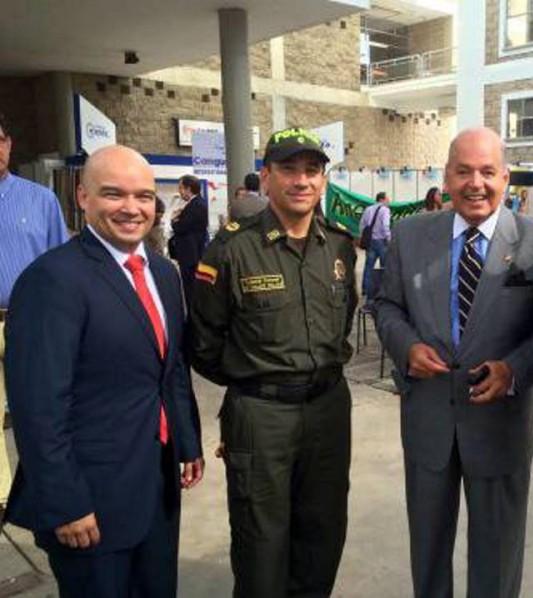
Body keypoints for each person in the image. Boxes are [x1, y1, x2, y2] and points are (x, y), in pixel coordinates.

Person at [3, 145, 204, 597]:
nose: (132, 209)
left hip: (155, 485)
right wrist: (64, 502)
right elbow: (38, 407)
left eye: (144, 196)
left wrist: (188, 441)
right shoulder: (51, 280)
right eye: (114, 194)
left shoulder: (163, 274)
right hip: (90, 501)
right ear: (82, 196)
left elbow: (170, 368)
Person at [376, 127, 533, 597]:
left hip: (499, 424)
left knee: (497, 557)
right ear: (446, 176)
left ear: (505, 177)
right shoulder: (410, 234)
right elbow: (387, 306)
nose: (474, 183)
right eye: (463, 171)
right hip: (428, 419)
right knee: (429, 550)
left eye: (486, 171)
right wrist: (406, 347)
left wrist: (515, 369)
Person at [190, 127, 357, 598]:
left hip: (328, 410)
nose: (301, 180)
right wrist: (257, 380)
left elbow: (341, 324)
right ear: (266, 178)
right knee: (261, 551)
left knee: (322, 539)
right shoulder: (231, 250)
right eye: (288, 169)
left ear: (323, 180)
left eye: (312, 170)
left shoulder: (340, 247)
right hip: (262, 417)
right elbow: (203, 344)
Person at [0, 112, 70, 518]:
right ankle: (3, 499)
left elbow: (58, 264)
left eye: (1, 139)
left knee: (37, 408)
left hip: (28, 322)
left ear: (9, 144)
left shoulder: (39, 199)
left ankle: (42, 489)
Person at [168, 174, 208, 306]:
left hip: (191, 257)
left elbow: (181, 228)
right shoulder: (193, 204)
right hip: (190, 255)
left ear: (188, 188)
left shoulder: (197, 205)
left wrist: (174, 219)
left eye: (180, 188)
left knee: (191, 291)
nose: (179, 192)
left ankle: (193, 320)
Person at [359, 190, 391, 302]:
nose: (389, 201)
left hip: (370, 242)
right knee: (384, 267)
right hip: (381, 242)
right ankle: (383, 290)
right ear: (382, 199)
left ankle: (365, 289)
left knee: (368, 266)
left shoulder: (368, 209)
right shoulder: (385, 210)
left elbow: (362, 225)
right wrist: (389, 239)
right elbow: (385, 226)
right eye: (387, 199)